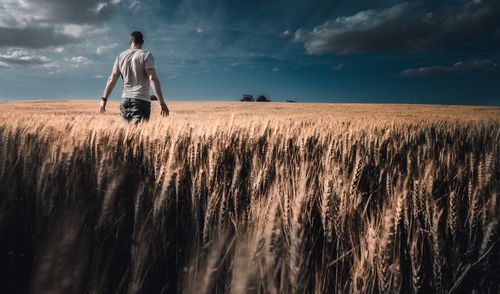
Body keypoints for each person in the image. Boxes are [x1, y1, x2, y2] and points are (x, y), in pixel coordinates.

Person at [99, 31, 169, 123]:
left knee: (126, 135)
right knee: (138, 135)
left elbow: (112, 79)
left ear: (130, 41)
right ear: (142, 42)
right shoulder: (146, 55)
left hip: (124, 100)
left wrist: (104, 99)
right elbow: (152, 78)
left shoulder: (120, 56)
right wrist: (162, 103)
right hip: (141, 101)